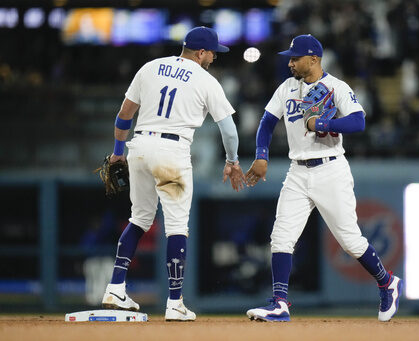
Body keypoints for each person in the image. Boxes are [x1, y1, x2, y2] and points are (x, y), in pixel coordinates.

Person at [244, 34, 403, 322]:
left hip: (331, 169)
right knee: (281, 237)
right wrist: (261, 155)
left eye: (295, 58)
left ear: (314, 59)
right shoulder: (287, 88)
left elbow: (358, 120)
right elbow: (267, 122)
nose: (290, 62)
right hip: (297, 171)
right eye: (290, 58)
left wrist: (324, 123)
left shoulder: (336, 87)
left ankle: (386, 281)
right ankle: (280, 303)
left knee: (350, 241)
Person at [101, 26, 245, 321]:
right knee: (177, 226)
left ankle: (115, 287)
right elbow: (229, 130)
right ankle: (175, 302)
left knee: (139, 219)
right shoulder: (206, 80)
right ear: (201, 52)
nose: (214, 58)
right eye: (213, 53)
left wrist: (118, 151)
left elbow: (124, 114)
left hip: (139, 146)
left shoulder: (150, 67)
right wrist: (232, 160)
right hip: (171, 151)